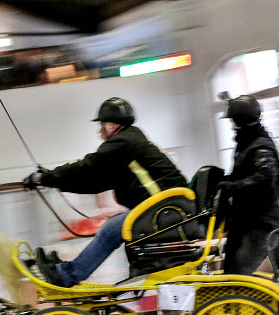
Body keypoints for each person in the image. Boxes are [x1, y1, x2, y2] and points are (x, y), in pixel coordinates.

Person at [23, 97, 187, 287]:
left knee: (112, 229)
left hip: (164, 210)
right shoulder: (129, 142)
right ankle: (68, 270)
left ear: (113, 124)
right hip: (167, 209)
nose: (100, 131)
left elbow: (87, 165)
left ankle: (68, 274)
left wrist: (45, 177)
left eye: (102, 124)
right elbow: (97, 182)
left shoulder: (123, 142)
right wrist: (54, 182)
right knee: (113, 226)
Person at [216, 95, 279, 275]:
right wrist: (227, 181)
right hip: (244, 220)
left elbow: (265, 177)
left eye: (234, 121)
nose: (232, 126)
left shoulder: (260, 146)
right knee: (230, 272)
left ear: (242, 120)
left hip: (260, 222)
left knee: (240, 272)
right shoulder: (247, 143)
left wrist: (233, 186)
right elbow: (245, 173)